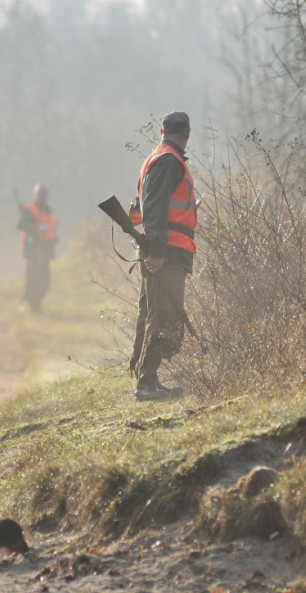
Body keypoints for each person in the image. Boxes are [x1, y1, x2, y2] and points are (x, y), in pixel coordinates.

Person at [128, 111, 197, 399]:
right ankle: (146, 383)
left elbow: (142, 206)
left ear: (162, 132)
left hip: (164, 248)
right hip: (167, 251)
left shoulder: (158, 158)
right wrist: (156, 252)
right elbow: (154, 208)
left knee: (154, 313)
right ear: (187, 134)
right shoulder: (169, 161)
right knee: (163, 315)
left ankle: (147, 378)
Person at [17, 183, 57, 314]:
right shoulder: (30, 209)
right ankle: (33, 307)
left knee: (45, 280)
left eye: (44, 194)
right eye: (40, 194)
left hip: (44, 250)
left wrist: (55, 238)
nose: (42, 196)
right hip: (33, 250)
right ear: (35, 194)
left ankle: (31, 304)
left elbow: (49, 228)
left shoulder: (47, 210)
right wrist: (36, 229)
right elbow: (21, 224)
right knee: (35, 279)